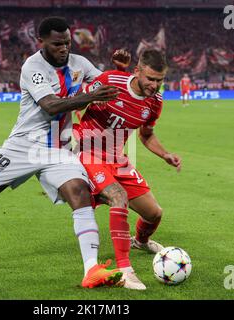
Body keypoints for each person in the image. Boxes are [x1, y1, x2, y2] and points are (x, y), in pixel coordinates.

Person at [0, 16, 124, 288]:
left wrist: (119, 72)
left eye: (67, 42)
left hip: (58, 148)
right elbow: (51, 106)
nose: (64, 48)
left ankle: (91, 270)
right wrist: (91, 96)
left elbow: (108, 85)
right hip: (22, 146)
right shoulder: (33, 67)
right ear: (40, 42)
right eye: (57, 44)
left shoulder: (80, 64)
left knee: (80, 193)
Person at [74, 49, 182, 290]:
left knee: (154, 213)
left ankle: (141, 242)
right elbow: (75, 102)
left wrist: (165, 154)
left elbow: (147, 134)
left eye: (159, 80)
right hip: (88, 152)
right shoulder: (110, 81)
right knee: (118, 197)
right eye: (150, 79)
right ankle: (125, 270)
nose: (154, 85)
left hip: (117, 158)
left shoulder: (155, 102)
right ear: (137, 71)